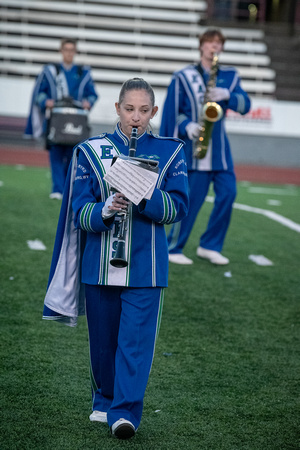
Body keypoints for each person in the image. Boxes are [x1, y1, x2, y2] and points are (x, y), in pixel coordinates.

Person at [42, 78, 189, 439]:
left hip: (147, 267)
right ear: (117, 109)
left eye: (143, 110)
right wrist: (104, 210)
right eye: (129, 109)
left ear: (153, 112)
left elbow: (178, 207)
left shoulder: (171, 152)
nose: (135, 118)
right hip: (99, 264)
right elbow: (79, 212)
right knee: (104, 344)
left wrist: (144, 196)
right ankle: (104, 399)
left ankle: (125, 413)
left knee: (135, 344)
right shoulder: (90, 151)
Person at [160, 28, 251, 265]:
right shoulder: (183, 76)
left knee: (229, 193)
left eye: (219, 43)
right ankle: (174, 247)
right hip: (195, 151)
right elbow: (172, 112)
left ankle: (209, 245)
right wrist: (187, 125)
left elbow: (245, 105)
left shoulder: (230, 76)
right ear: (201, 46)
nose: (214, 46)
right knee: (191, 201)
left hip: (220, 151)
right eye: (210, 42)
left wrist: (227, 96)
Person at [25, 38, 98, 199]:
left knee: (72, 156)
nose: (69, 53)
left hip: (75, 122)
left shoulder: (83, 72)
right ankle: (57, 189)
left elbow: (93, 94)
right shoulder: (50, 71)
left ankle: (68, 189)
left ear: (75, 52)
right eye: (66, 49)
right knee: (56, 153)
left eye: (72, 50)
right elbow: (39, 94)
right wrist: (46, 101)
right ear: (61, 51)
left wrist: (88, 102)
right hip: (56, 121)